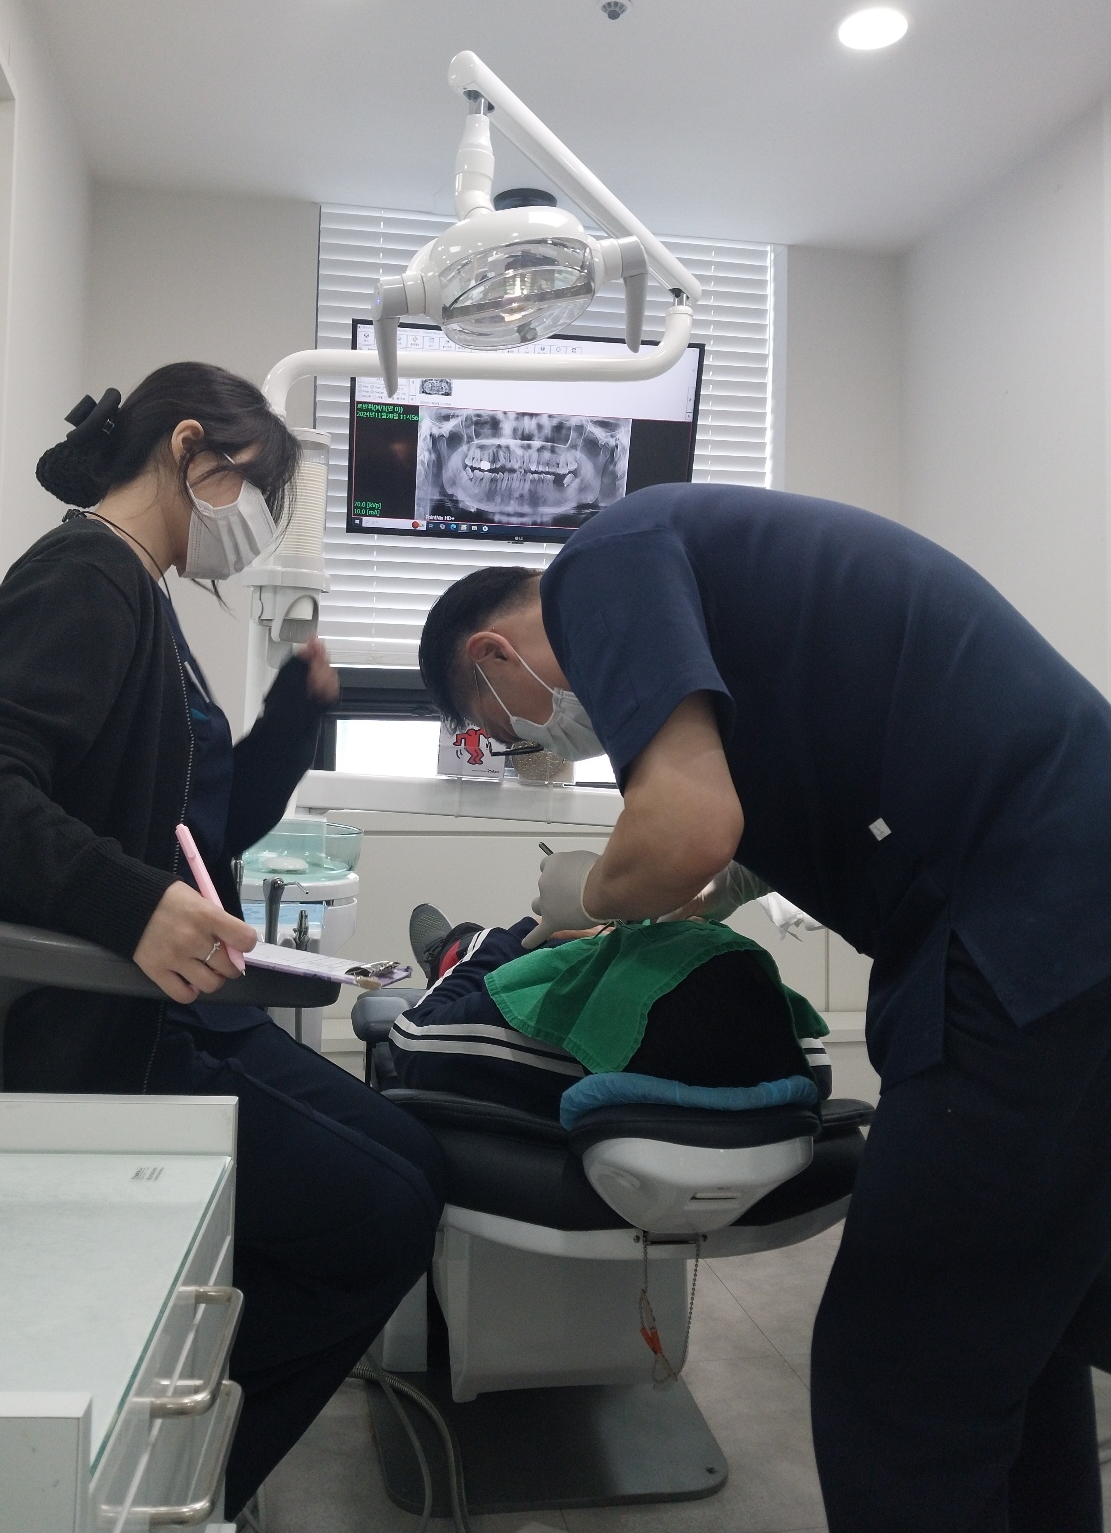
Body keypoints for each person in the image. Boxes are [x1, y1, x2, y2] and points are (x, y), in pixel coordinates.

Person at [417, 482, 1111, 1533]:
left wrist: (586, 893)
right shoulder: (706, 580)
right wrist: (708, 887)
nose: (536, 742)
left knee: (901, 1372)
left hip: (1025, 927)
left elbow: (685, 828)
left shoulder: (604, 560)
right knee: (1015, 1331)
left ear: (493, 656)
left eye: (502, 732)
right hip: (1061, 904)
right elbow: (765, 801)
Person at [0, 364, 446, 1518]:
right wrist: (133, 905)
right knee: (385, 1212)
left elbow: (206, 829)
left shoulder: (145, 600)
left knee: (411, 1163)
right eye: (258, 492)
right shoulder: (83, 577)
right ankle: (187, 1480)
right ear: (191, 447)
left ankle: (193, 1429)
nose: (253, 529)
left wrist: (296, 717)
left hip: (170, 1006)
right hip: (92, 1026)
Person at [391, 901, 831, 1115]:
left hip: (641, 1014)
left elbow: (411, 1040)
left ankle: (461, 949)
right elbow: (816, 1063)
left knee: (510, 939)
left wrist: (522, 936)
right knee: (672, 937)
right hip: (709, 971)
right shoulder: (783, 1044)